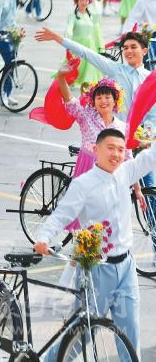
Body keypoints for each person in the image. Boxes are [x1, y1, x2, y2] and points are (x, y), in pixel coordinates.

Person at [34, 129, 154, 361]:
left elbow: (149, 158)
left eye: (121, 150)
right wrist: (44, 238)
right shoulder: (83, 184)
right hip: (96, 270)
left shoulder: (126, 172)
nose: (116, 154)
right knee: (83, 332)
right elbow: (62, 215)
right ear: (96, 149)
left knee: (130, 330)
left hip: (126, 267)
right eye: (111, 148)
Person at [65, 0, 103, 85]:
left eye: (86, 0)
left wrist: (94, 1)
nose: (84, 3)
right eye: (81, 0)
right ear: (77, 2)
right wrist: (67, 41)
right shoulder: (72, 16)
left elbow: (98, 18)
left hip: (89, 45)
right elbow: (69, 29)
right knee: (76, 65)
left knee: (89, 67)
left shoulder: (90, 15)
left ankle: (86, 83)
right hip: (77, 44)